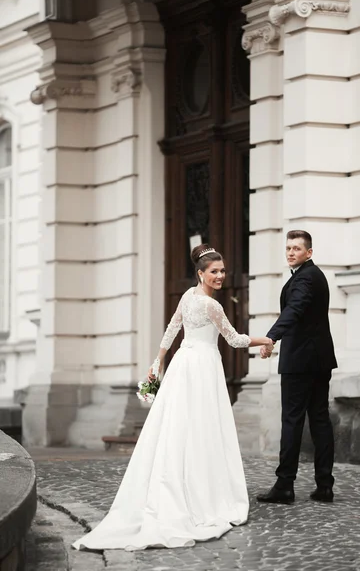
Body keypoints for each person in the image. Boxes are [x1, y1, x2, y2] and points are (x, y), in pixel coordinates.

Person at [72, 244, 273, 551]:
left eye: (222, 270)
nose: (220, 276)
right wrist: (267, 339)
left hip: (183, 364)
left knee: (179, 425)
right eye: (214, 271)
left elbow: (171, 329)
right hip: (202, 367)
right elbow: (233, 340)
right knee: (200, 427)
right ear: (200, 273)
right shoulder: (210, 305)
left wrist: (159, 361)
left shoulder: (187, 296)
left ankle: (183, 483)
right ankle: (200, 495)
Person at [257, 230, 337, 505]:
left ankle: (284, 485)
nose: (291, 252)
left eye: (297, 249)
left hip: (300, 362)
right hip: (319, 360)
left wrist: (271, 337)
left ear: (309, 253)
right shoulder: (313, 276)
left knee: (292, 420)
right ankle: (325, 485)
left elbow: (294, 310)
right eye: (288, 248)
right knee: (319, 419)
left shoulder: (305, 278)